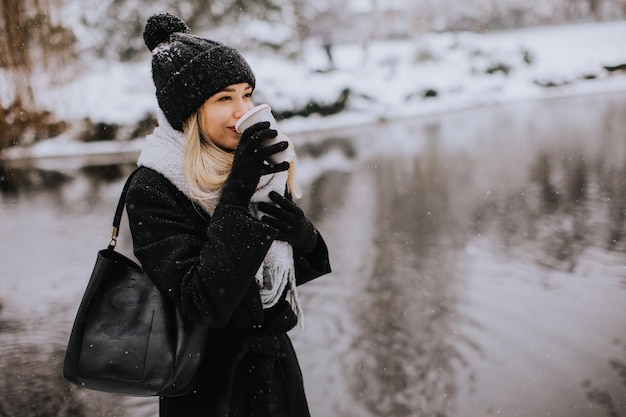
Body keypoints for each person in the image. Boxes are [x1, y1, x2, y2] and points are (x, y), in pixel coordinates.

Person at [125, 13, 331, 417]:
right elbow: (203, 303)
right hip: (207, 388)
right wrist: (234, 196)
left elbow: (282, 284)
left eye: (247, 94)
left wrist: (304, 236)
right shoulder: (152, 188)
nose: (243, 110)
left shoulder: (252, 168)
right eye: (224, 99)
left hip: (277, 379)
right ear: (188, 111)